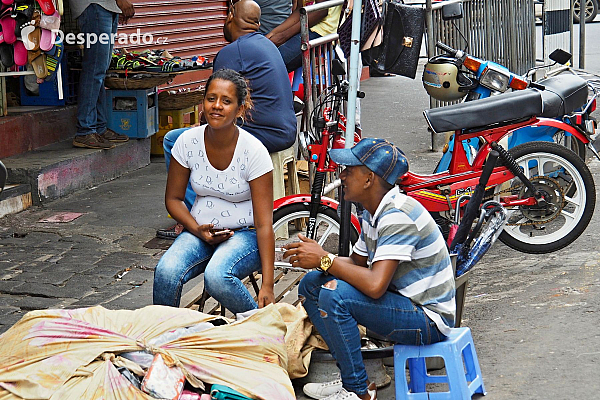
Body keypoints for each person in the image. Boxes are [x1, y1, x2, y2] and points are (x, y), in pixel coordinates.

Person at [282, 138, 456, 400]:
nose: (342, 176)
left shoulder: (397, 214)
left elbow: (375, 286)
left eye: (349, 170)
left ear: (369, 179)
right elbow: (356, 264)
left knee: (334, 293)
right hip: (403, 304)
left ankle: (357, 390)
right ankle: (351, 378)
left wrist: (323, 259)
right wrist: (320, 257)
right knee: (312, 285)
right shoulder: (374, 211)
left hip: (428, 319)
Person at [156, 0, 296, 239]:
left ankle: (194, 220)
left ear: (230, 14)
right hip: (285, 131)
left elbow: (213, 107)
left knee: (173, 140)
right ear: (257, 23)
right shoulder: (267, 45)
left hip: (262, 134)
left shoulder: (232, 52)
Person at [153, 69, 275, 312]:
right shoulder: (187, 142)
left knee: (218, 276)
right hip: (199, 230)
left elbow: (264, 225)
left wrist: (268, 285)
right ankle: (165, 339)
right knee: (166, 271)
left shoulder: (254, 152)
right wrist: (196, 228)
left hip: (245, 234)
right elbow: (174, 199)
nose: (216, 106)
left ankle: (260, 332)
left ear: (240, 109)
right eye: (211, 98)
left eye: (226, 101)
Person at [69, 0, 134, 149]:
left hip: (106, 6)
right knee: (95, 69)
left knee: (100, 71)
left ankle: (98, 127)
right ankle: (85, 130)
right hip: (95, 5)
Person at [266, 0, 342, 72]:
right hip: (304, 26)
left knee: (273, 62)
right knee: (265, 55)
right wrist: (273, 34)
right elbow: (300, 11)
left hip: (322, 32)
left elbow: (321, 11)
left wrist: (282, 37)